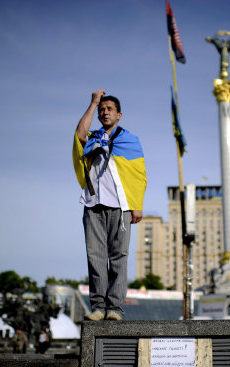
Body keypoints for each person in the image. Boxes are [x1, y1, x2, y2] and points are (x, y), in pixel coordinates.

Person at [73, 90, 147, 321]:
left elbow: (139, 175)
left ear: (119, 114)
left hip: (121, 206)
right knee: (95, 256)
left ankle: (115, 308)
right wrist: (93, 102)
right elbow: (79, 133)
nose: (105, 112)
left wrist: (136, 204)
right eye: (102, 110)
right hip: (94, 203)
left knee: (118, 257)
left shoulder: (131, 141)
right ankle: (98, 307)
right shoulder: (93, 137)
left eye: (109, 109)